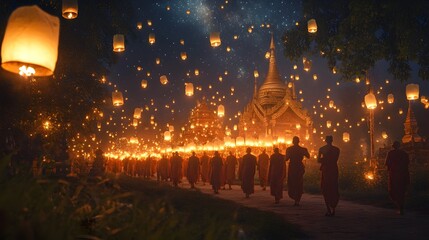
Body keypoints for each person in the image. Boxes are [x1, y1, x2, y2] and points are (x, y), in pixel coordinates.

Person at [385, 141, 410, 215]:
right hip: (403, 174)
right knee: (401, 191)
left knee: (393, 191)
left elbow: (387, 164)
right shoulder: (404, 153)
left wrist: (389, 170)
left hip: (394, 175)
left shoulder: (390, 153)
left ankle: (400, 207)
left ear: (393, 146)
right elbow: (407, 163)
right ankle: (401, 207)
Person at [317, 135, 340, 216]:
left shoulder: (322, 149)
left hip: (326, 169)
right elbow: (335, 159)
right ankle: (333, 209)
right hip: (333, 169)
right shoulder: (337, 150)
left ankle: (328, 209)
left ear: (325, 140)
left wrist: (324, 159)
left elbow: (318, 160)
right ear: (332, 140)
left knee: (326, 188)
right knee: (333, 187)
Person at [285, 136, 310, 206]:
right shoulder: (303, 149)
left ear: (293, 141)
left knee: (292, 182)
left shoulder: (289, 149)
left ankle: (295, 197)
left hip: (293, 166)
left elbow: (286, 159)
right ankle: (297, 199)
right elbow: (308, 156)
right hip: (299, 166)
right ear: (299, 141)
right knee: (299, 182)